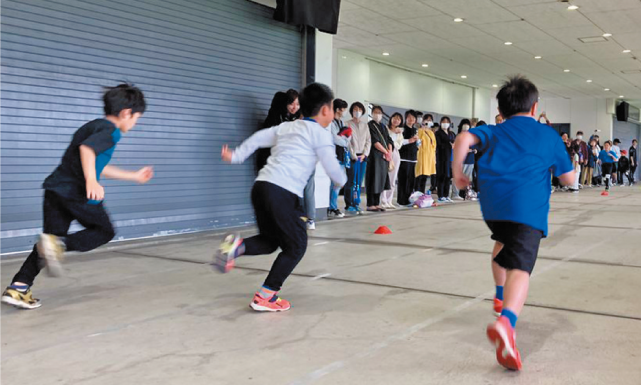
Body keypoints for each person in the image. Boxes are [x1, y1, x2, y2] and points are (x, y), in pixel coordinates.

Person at [453, 75, 574, 371]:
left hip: (493, 207)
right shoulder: (548, 135)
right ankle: (507, 322)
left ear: (502, 109)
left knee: (503, 242)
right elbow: (569, 179)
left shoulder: (494, 130)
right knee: (521, 265)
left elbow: (463, 138)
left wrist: (458, 174)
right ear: (534, 108)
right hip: (526, 208)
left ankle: (498, 295)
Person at [1, 84, 153, 309]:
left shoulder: (93, 126)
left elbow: (97, 163)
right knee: (103, 231)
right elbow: (87, 151)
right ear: (126, 113)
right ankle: (59, 245)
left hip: (55, 190)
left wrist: (133, 176)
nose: (135, 123)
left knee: (48, 243)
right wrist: (91, 181)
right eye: (136, 118)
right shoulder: (111, 131)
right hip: (76, 192)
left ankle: (19, 286)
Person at [216, 82, 346, 312]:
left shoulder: (287, 127)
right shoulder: (320, 133)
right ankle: (266, 296)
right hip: (282, 192)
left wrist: (235, 156)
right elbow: (332, 167)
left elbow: (257, 139)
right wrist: (342, 181)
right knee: (296, 246)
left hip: (261, 187)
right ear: (326, 110)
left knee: (271, 241)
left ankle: (235, 247)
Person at [256, 89, 300, 173]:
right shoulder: (275, 118)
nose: (295, 107)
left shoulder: (296, 119)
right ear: (285, 104)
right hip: (271, 159)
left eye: (297, 104)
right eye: (291, 104)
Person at [344, 102, 371, 214]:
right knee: (351, 181)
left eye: (359, 109)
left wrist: (365, 154)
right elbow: (347, 141)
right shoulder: (347, 124)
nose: (357, 111)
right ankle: (349, 204)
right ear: (351, 111)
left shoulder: (365, 125)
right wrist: (353, 155)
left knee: (359, 181)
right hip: (352, 157)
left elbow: (368, 141)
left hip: (363, 157)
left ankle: (356, 203)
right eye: (355, 109)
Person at [366, 106, 393, 212]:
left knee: (380, 180)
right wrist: (386, 152)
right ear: (372, 113)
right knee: (373, 179)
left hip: (384, 157)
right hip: (375, 156)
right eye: (375, 112)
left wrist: (389, 151)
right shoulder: (370, 125)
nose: (378, 114)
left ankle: (376, 203)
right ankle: (370, 203)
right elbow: (375, 141)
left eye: (379, 112)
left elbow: (389, 140)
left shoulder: (383, 126)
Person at [329, 98, 350, 218]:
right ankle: (332, 207)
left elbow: (347, 137)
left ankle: (332, 206)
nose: (344, 111)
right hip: (334, 156)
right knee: (336, 183)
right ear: (338, 109)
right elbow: (335, 139)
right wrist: (344, 140)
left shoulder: (341, 123)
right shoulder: (331, 123)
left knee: (338, 183)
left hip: (342, 156)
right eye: (344, 109)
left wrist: (345, 140)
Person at [382, 113, 404, 209]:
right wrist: (393, 133)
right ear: (391, 118)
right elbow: (385, 140)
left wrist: (394, 141)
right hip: (386, 152)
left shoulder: (400, 132)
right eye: (395, 118)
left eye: (399, 119)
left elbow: (399, 144)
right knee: (385, 177)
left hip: (395, 153)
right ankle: (383, 200)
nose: (396, 120)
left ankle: (389, 200)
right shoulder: (385, 128)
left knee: (393, 178)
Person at [397, 110, 419, 205]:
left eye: (413, 118)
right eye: (409, 117)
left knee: (411, 180)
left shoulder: (415, 130)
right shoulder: (402, 129)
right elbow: (399, 142)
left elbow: (416, 142)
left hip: (413, 158)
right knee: (403, 179)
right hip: (404, 157)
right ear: (406, 118)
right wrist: (409, 140)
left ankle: (409, 199)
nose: (411, 119)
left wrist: (418, 144)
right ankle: (402, 200)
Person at [415, 114, 437, 194]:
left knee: (425, 176)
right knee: (420, 175)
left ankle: (422, 194)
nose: (428, 121)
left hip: (429, 157)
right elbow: (418, 143)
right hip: (421, 156)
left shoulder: (431, 133)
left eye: (430, 120)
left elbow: (434, 146)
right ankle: (417, 193)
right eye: (427, 119)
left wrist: (433, 158)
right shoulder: (420, 131)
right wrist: (422, 128)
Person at [451, 119, 473, 200]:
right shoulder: (458, 136)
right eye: (464, 124)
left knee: (467, 179)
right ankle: (455, 194)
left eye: (468, 125)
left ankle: (465, 194)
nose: (466, 127)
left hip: (470, 160)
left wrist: (472, 150)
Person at [435, 116, 454, 203]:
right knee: (441, 176)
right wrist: (449, 145)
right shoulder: (438, 133)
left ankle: (446, 195)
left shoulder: (451, 133)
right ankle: (441, 195)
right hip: (441, 157)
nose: (445, 123)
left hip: (450, 157)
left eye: (447, 121)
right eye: (443, 121)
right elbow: (439, 144)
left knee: (448, 177)